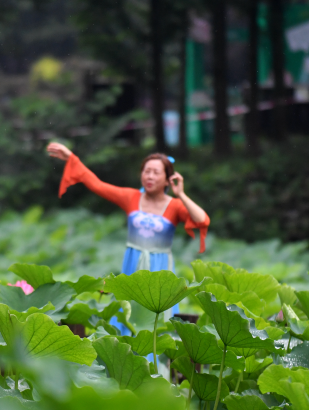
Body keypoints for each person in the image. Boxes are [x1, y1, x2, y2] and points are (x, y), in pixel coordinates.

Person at [46, 143, 210, 335]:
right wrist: (72, 158)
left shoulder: (175, 206)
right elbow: (98, 185)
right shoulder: (131, 197)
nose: (149, 176)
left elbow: (202, 220)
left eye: (156, 173)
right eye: (146, 171)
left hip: (160, 266)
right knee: (128, 313)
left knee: (157, 318)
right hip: (133, 263)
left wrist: (181, 194)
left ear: (168, 179)